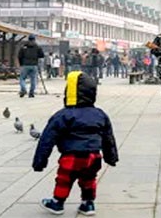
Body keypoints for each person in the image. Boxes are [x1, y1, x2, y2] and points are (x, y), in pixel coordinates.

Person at [32, 71, 118, 216]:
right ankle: (88, 204)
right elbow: (108, 138)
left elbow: (47, 140)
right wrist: (111, 157)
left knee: (64, 179)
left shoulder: (63, 115)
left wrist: (39, 162)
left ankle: (57, 202)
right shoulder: (100, 114)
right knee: (89, 179)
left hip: (71, 156)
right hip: (93, 156)